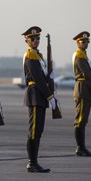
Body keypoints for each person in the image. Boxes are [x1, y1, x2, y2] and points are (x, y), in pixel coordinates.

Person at [22, 26, 57, 173]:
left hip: (40, 95)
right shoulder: (30, 56)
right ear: (27, 40)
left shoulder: (38, 56)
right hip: (36, 94)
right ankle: (32, 162)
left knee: (39, 130)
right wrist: (50, 95)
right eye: (32, 39)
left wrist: (50, 78)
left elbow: (43, 77)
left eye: (38, 39)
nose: (36, 41)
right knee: (34, 130)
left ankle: (34, 161)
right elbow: (37, 79)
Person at [72, 31, 91, 157]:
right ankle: (80, 148)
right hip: (83, 90)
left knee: (83, 120)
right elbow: (87, 76)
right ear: (78, 43)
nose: (86, 43)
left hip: (85, 90)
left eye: (87, 41)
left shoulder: (83, 55)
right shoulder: (79, 56)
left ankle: (82, 147)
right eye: (83, 41)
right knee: (80, 120)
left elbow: (90, 75)